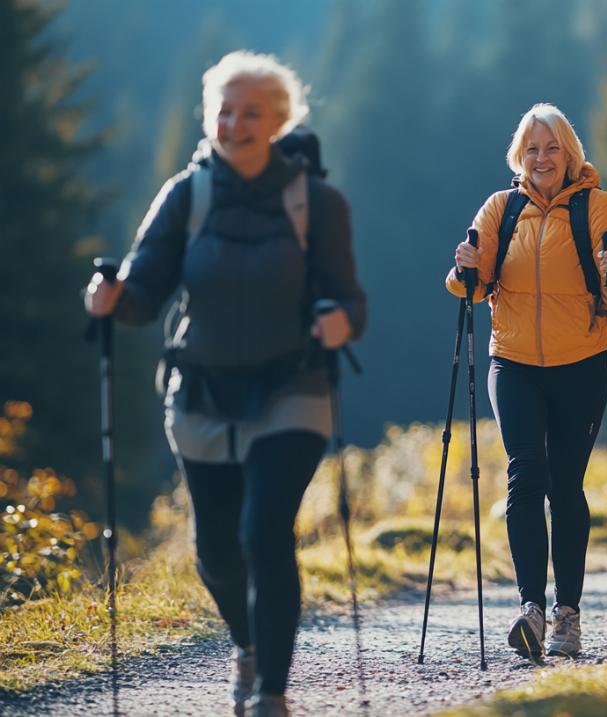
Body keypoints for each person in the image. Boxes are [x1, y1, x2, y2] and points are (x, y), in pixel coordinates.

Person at [84, 51, 366, 717]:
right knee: (215, 551)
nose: (235, 124)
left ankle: (271, 692)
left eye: (251, 113)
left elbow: (351, 301)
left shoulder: (317, 202)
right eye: (225, 111)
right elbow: (144, 290)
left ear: (279, 121)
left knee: (265, 532)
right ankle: (246, 643)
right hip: (201, 392)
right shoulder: (186, 195)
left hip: (293, 388)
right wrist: (110, 298)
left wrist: (339, 322)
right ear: (209, 115)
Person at [448, 103, 607, 661]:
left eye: (552, 147)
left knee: (564, 485)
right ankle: (531, 608)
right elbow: (470, 286)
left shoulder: (597, 206)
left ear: (569, 153)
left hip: (579, 363)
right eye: (532, 149)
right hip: (512, 362)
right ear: (521, 155)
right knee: (525, 474)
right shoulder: (501, 208)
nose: (542, 158)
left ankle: (568, 615)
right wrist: (464, 267)